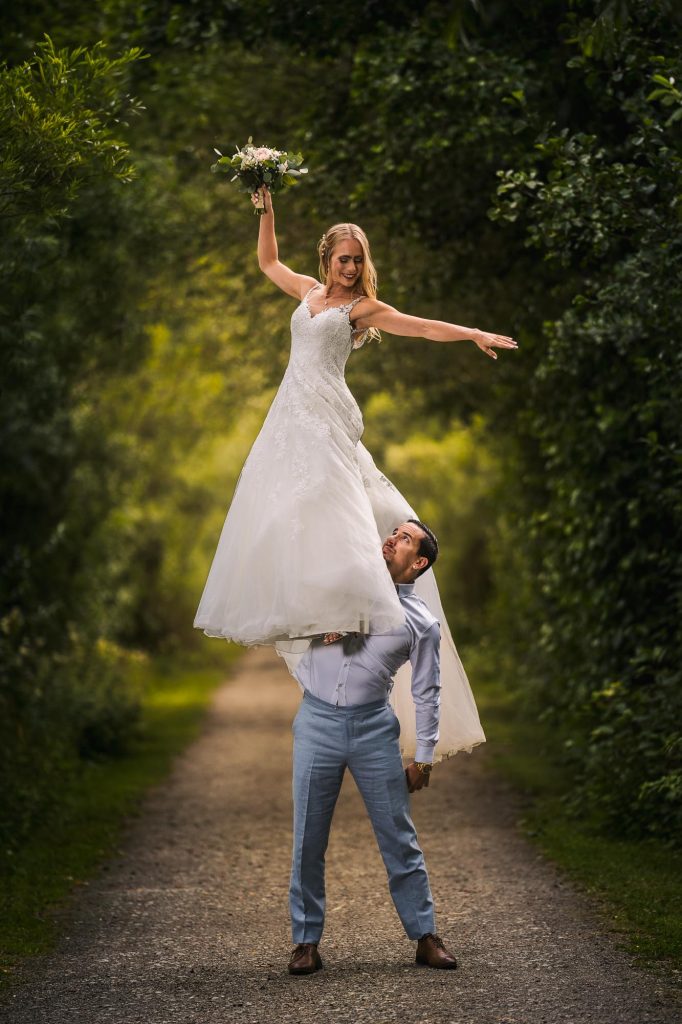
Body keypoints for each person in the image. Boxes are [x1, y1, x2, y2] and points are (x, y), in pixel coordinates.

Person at [193, 184, 517, 758]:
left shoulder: (361, 309)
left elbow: (418, 326)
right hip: (290, 416)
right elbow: (267, 260)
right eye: (342, 258)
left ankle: (354, 610)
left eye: (357, 259)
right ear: (327, 261)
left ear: (364, 265)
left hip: (326, 413)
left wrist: (470, 333)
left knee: (335, 500)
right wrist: (265, 206)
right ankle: (312, 608)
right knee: (288, 510)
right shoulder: (307, 291)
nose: (349, 266)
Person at [288, 518, 458, 974]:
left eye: (404, 538)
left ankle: (425, 936)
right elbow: (287, 613)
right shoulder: (341, 586)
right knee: (308, 837)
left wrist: (424, 758)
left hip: (373, 729)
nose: (392, 538)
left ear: (418, 562)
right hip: (317, 721)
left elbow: (427, 691)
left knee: (399, 836)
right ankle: (305, 942)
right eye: (394, 532)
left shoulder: (421, 624)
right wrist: (319, 628)